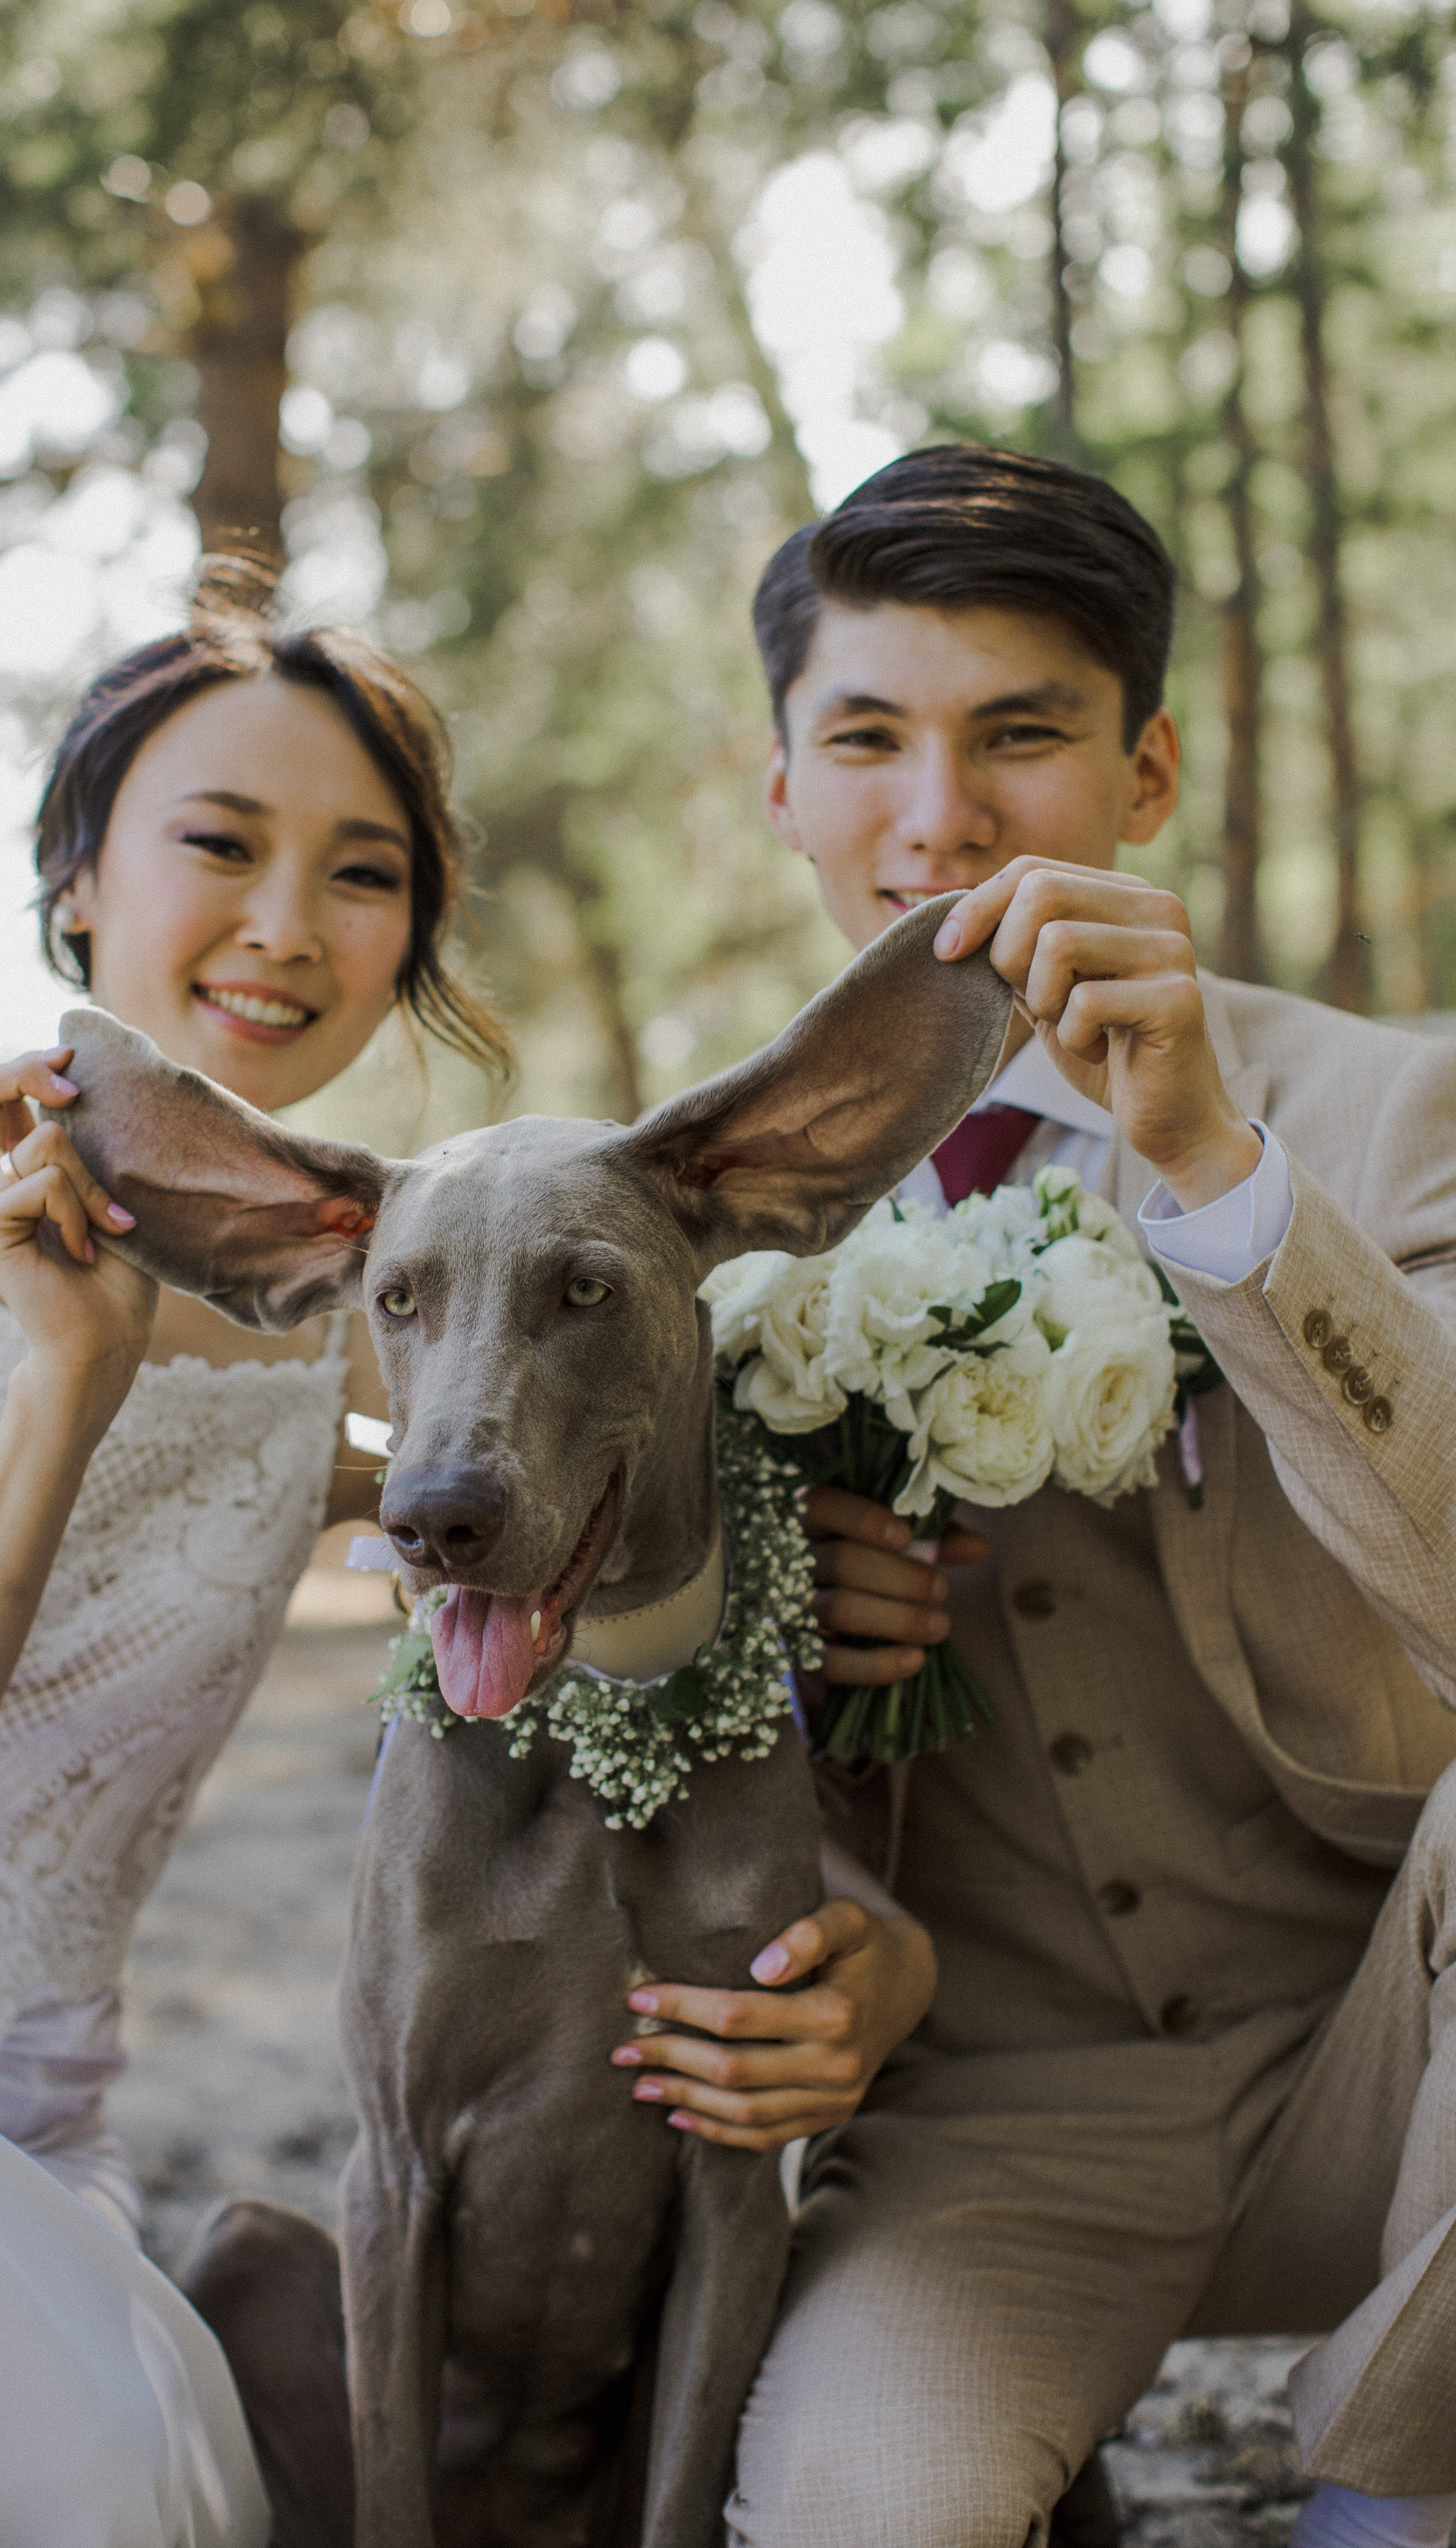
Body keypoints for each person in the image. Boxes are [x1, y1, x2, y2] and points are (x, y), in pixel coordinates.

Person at [607, 445, 1456, 2548]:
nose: (943, 817)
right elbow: (582, 1707)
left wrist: (1212, 1173)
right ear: (780, 788)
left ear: (1145, 774)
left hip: (1391, 2064)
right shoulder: (666, 1213)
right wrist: (767, 1622)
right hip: (1001, 2102)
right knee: (854, 2518)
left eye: (1024, 737)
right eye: (868, 739)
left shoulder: (1393, 1106)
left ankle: (1399, 2484)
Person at [0, 550, 508, 2548]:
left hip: (14, 2176)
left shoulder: (346, 1353)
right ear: (79, 878)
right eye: (218, 842)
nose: (287, 926)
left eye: (364, 874)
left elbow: (557, 1530)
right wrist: (70, 1367)